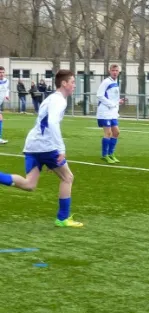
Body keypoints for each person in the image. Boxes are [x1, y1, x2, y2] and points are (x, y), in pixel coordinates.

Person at [0, 70, 83, 227]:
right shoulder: (59, 100)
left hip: (32, 144)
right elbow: (52, 123)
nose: (74, 85)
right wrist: (60, 148)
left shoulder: (51, 98)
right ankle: (62, 218)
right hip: (46, 145)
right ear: (64, 83)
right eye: (72, 82)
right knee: (68, 177)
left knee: (29, 184)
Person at [97, 63, 124, 164]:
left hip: (112, 112)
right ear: (109, 71)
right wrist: (111, 104)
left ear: (119, 72)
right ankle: (104, 155)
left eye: (116, 71)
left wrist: (118, 102)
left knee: (116, 132)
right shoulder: (106, 82)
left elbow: (113, 97)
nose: (115, 72)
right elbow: (99, 95)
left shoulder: (116, 82)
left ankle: (111, 153)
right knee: (108, 133)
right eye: (113, 70)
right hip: (104, 111)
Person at [0, 66, 10, 144]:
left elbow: (7, 89)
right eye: (0, 72)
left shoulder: (7, 81)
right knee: (0, 119)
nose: (1, 74)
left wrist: (7, 95)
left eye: (3, 72)